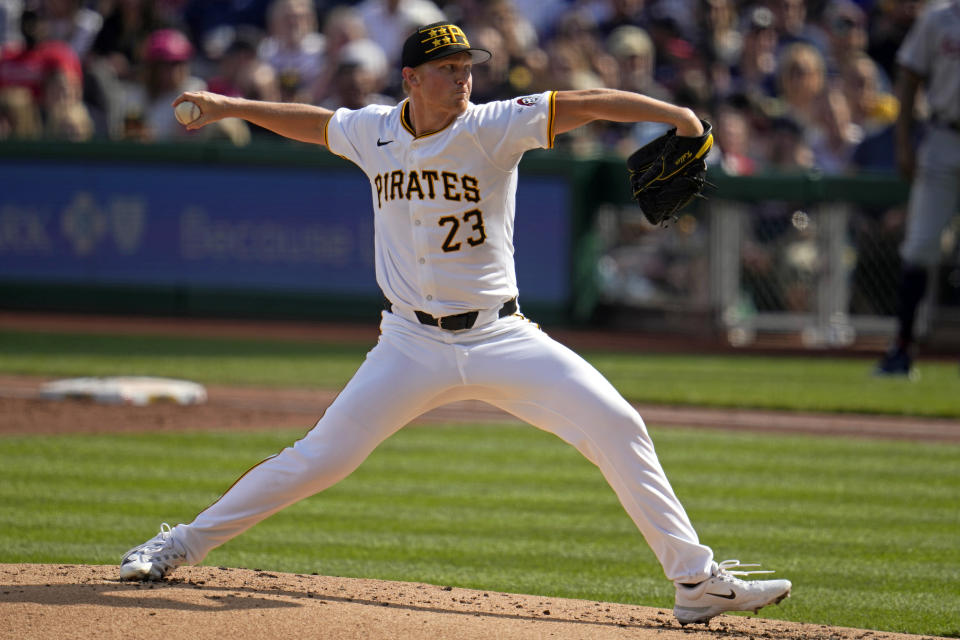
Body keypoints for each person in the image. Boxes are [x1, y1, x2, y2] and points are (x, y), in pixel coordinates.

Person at [119, 21, 792, 626]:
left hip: (501, 336)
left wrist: (672, 113)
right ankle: (179, 543)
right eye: (448, 68)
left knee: (617, 423)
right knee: (318, 460)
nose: (463, 77)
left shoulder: (495, 122)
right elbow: (315, 122)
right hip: (409, 344)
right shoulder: (373, 131)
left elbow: (586, 104)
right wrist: (229, 107)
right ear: (411, 78)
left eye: (468, 65)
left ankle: (695, 581)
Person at [874, 0, 960, 376]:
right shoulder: (939, 19)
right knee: (921, 245)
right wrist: (903, 142)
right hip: (944, 135)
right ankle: (902, 349)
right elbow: (909, 77)